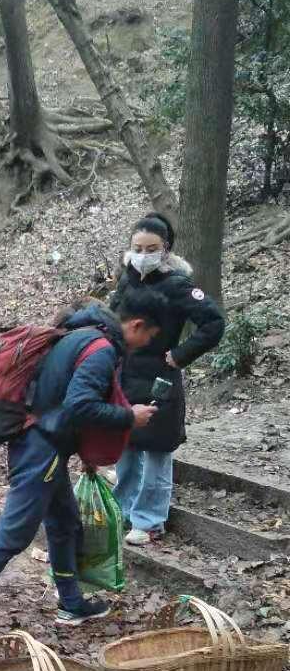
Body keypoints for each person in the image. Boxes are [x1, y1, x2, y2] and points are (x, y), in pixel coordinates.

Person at [0, 293, 169, 644]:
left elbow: (59, 398)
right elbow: (79, 405)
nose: (147, 344)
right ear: (136, 325)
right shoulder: (102, 348)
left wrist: (85, 453)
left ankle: (71, 603)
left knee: (64, 523)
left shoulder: (82, 334)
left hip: (45, 444)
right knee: (15, 533)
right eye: (149, 336)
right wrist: (128, 417)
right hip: (40, 449)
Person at [110, 212, 225, 546]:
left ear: (166, 249)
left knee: (158, 452)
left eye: (151, 248)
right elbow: (112, 316)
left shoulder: (177, 284)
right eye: (138, 247)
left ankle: (150, 520)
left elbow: (213, 324)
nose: (143, 254)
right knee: (126, 449)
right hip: (126, 374)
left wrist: (180, 354)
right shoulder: (126, 279)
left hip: (161, 377)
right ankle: (124, 510)